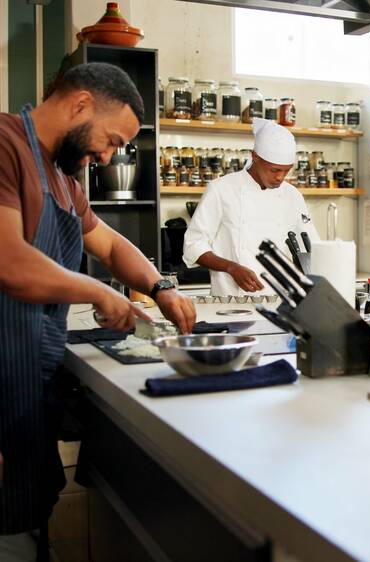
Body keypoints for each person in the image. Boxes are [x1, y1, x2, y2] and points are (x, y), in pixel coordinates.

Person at [0, 62, 195, 560]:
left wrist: (160, 286)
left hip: (28, 375)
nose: (108, 155)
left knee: (25, 514)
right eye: (110, 139)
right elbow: (11, 263)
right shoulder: (6, 147)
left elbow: (109, 245)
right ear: (81, 103)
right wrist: (98, 292)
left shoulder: (64, 178)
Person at [183, 118, 319, 296]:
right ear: (255, 157)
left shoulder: (292, 195)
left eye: (286, 170)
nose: (280, 177)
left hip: (281, 300)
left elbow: (312, 245)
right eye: (274, 170)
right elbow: (194, 245)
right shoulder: (221, 189)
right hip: (232, 302)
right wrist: (232, 268)